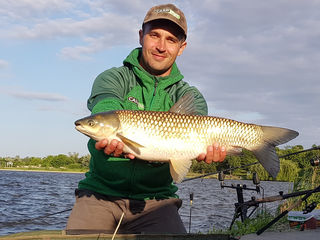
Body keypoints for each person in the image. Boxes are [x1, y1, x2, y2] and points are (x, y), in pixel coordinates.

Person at [66, 4, 226, 235]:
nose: (161, 46)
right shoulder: (113, 77)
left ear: (182, 47)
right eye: (154, 35)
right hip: (98, 194)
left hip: (157, 200)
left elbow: (199, 138)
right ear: (141, 36)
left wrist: (210, 152)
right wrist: (101, 126)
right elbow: (106, 106)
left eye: (171, 39)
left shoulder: (190, 96)